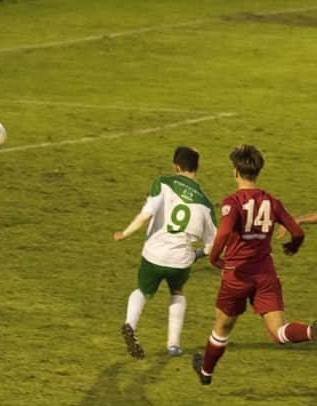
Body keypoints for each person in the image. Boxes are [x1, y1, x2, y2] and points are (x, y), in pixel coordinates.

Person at [193, 144, 316, 385]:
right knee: (279, 332)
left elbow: (225, 232)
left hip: (237, 276)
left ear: (235, 173)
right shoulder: (272, 201)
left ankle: (206, 372)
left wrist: (215, 257)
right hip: (265, 274)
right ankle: (313, 331)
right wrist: (294, 245)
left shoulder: (233, 201)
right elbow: (297, 232)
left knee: (222, 326)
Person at [114, 146, 217, 359]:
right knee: (177, 292)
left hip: (154, 255)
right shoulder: (206, 204)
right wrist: (197, 255)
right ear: (195, 169)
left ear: (176, 167)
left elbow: (146, 214)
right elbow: (212, 245)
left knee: (142, 290)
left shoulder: (164, 183)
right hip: (181, 262)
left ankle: (130, 324)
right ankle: (173, 345)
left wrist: (125, 233)